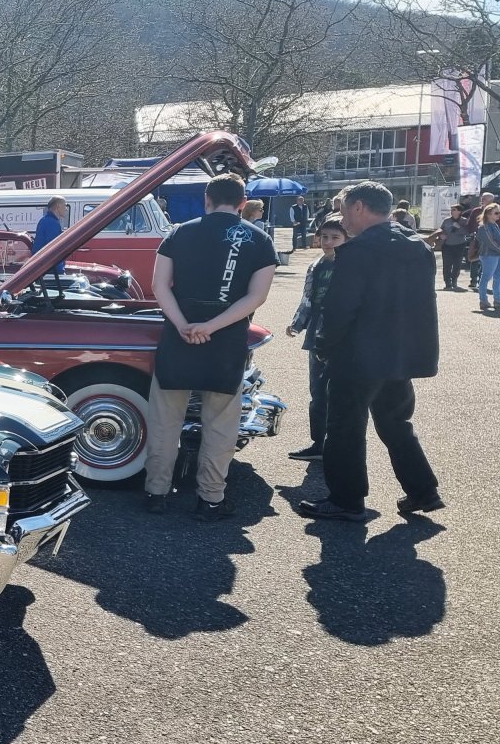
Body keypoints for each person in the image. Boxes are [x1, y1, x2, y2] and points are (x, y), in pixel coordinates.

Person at [299, 180, 440, 522]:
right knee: (395, 422)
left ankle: (347, 500)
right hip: (400, 352)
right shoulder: (417, 246)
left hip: (358, 353)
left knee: (345, 426)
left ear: (359, 207)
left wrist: (323, 345)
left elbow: (340, 307)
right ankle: (423, 490)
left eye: (344, 209)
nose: (342, 217)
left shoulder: (358, 251)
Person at [144, 173, 278, 520]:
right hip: (226, 342)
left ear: (207, 199)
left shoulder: (178, 233)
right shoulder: (260, 240)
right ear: (243, 203)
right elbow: (256, 297)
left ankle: (156, 492)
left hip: (178, 338)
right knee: (220, 426)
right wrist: (212, 326)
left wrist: (183, 324)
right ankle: (211, 499)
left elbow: (159, 286)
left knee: (164, 421)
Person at [285, 219, 346, 462]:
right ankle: (318, 443)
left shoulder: (350, 265)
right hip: (316, 333)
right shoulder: (316, 265)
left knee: (338, 393)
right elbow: (308, 299)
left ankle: (338, 444)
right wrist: (297, 323)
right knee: (317, 391)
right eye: (324, 237)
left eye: (335, 238)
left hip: (340, 336)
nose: (328, 242)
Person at [31, 196, 67, 275]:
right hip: (50, 270)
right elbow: (53, 249)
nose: (66, 209)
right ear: (58, 206)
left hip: (43, 267)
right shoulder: (51, 223)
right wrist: (60, 270)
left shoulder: (46, 220)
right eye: (65, 205)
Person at [437, 204, 470, 290]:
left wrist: (459, 227)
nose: (452, 211)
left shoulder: (464, 221)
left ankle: (454, 281)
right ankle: (447, 283)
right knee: (447, 265)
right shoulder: (446, 220)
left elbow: (467, 232)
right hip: (447, 245)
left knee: (457, 265)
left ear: (459, 211)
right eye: (451, 210)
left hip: (459, 245)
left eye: (454, 209)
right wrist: (441, 235)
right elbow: (441, 230)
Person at [465, 193, 494, 288]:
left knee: (485, 261)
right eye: (482, 198)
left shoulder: (496, 211)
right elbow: (470, 224)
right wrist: (471, 232)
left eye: (484, 199)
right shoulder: (476, 211)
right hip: (477, 239)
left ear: (490, 201)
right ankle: (473, 280)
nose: (482, 200)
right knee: (474, 259)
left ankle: (482, 282)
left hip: (490, 241)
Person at [476, 203, 500, 312]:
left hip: (497, 254)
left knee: (498, 278)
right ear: (488, 214)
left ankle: (497, 300)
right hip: (488, 255)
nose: (498, 215)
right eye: (496, 213)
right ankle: (483, 300)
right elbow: (490, 242)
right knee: (486, 277)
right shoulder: (484, 227)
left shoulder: (494, 225)